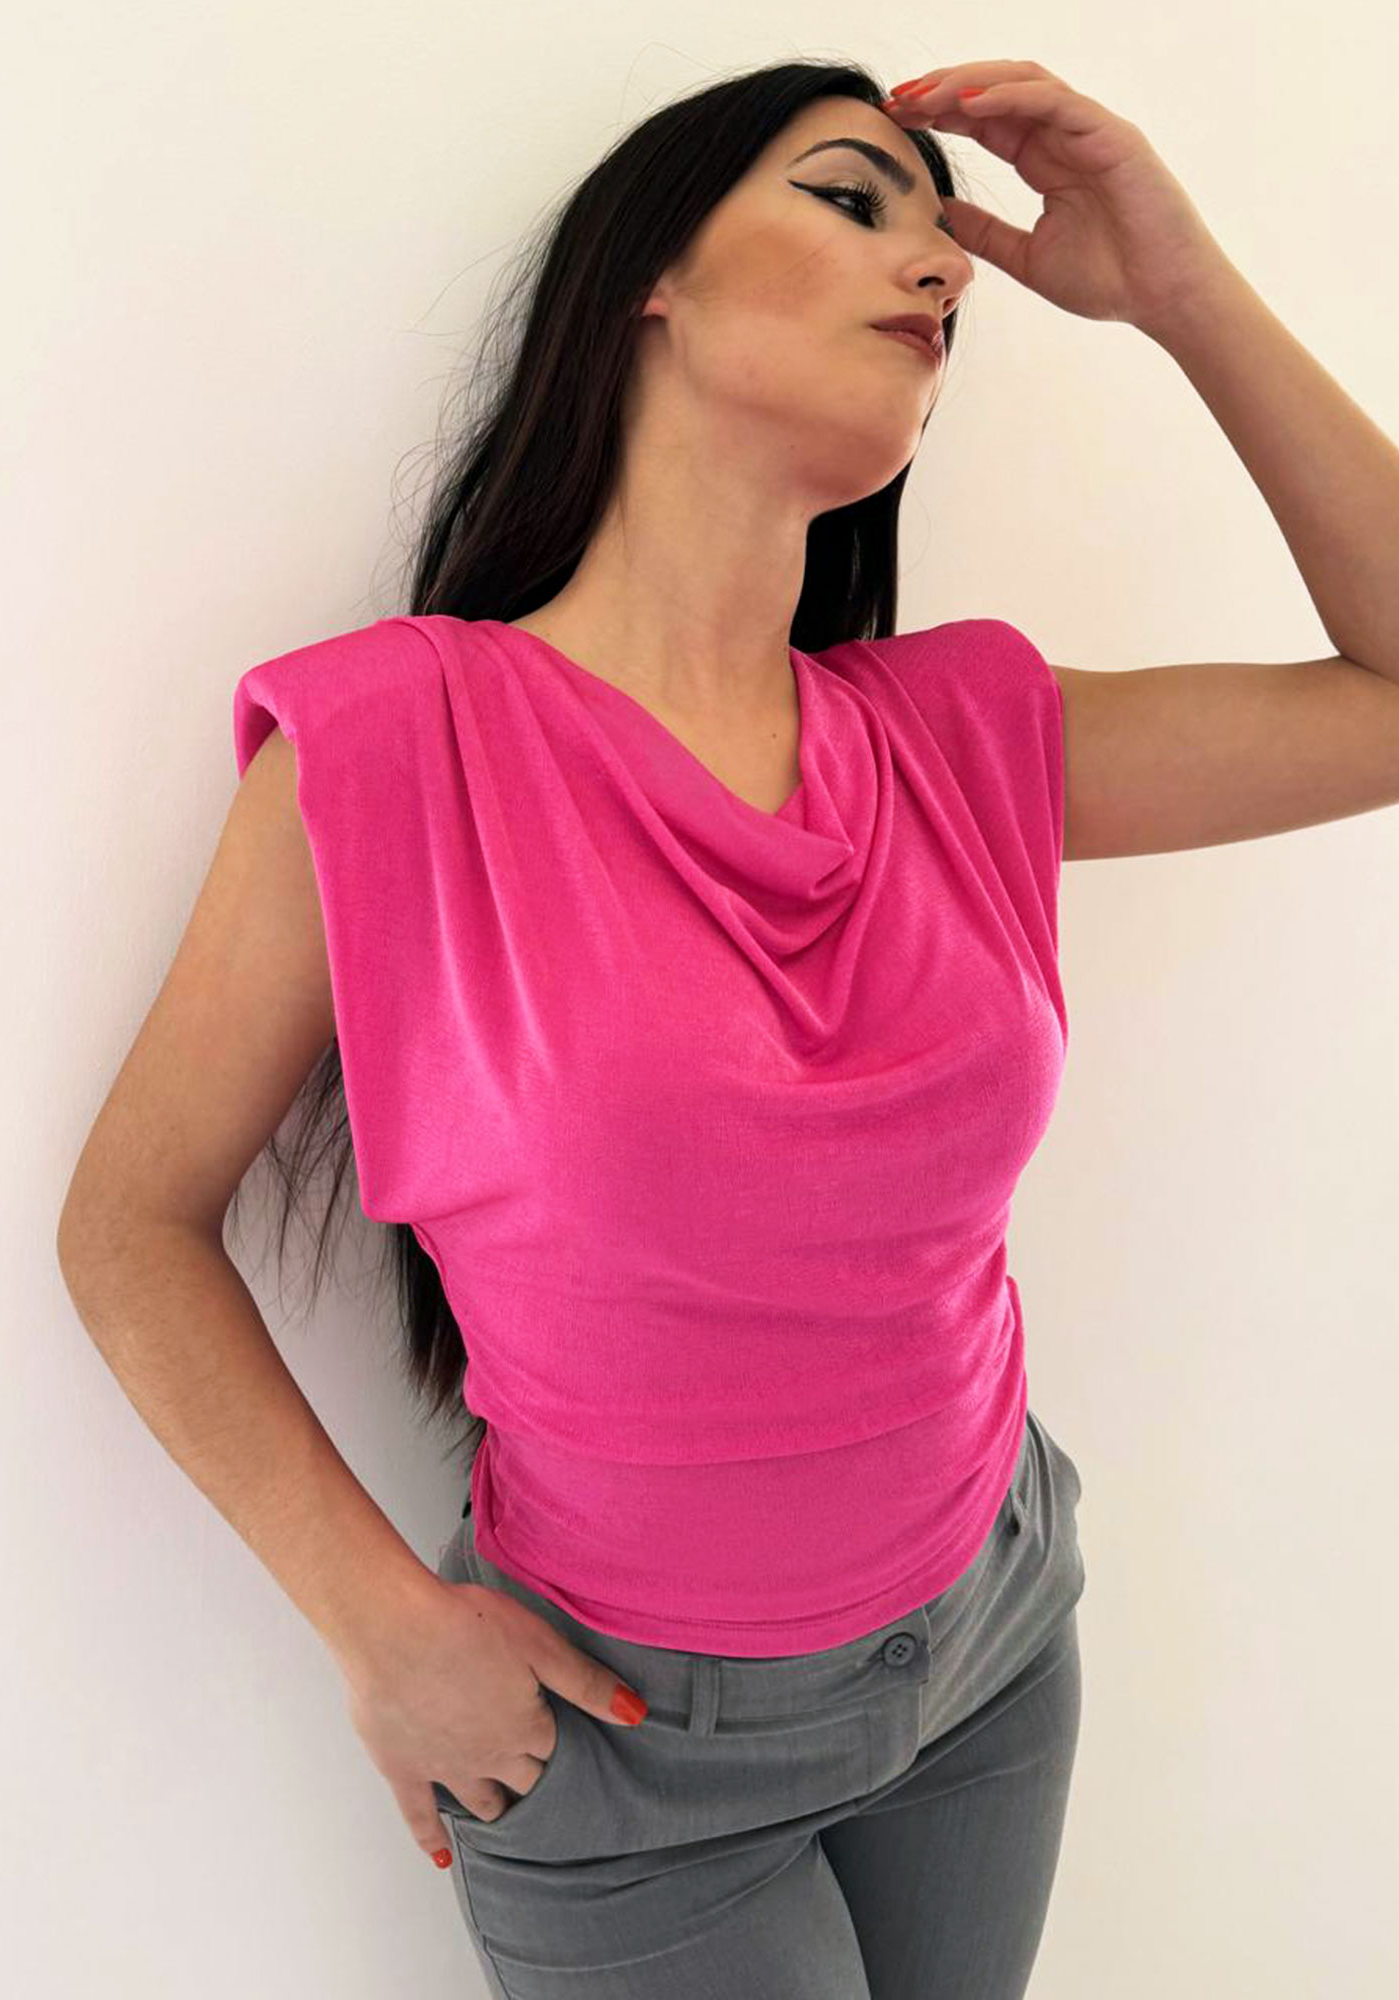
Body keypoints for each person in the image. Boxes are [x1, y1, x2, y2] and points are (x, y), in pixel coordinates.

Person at [57, 61, 1088, 1999]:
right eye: (857, 198)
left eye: (951, 249)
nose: (940, 266)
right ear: (651, 277)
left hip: (990, 1646)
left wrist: (1181, 294)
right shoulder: (393, 737)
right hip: (626, 1754)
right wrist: (378, 1621)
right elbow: (127, 1221)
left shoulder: (951, 727)